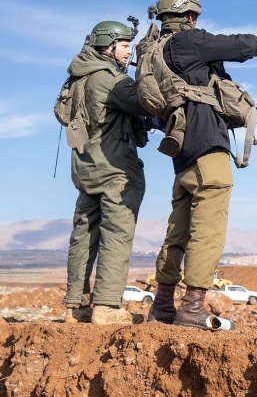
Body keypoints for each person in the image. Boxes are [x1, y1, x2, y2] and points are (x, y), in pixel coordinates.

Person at [145, 0, 257, 330]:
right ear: (190, 16)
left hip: (181, 156)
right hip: (206, 148)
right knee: (208, 228)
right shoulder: (187, 43)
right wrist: (255, 40)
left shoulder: (153, 53)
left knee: (178, 231)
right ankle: (193, 306)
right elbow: (245, 47)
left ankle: (163, 305)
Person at [62, 20, 152, 325]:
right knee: (116, 234)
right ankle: (106, 307)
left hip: (86, 170)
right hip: (114, 170)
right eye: (125, 46)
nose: (129, 52)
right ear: (107, 46)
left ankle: (76, 306)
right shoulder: (110, 80)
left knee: (83, 236)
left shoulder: (78, 78)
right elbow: (147, 100)